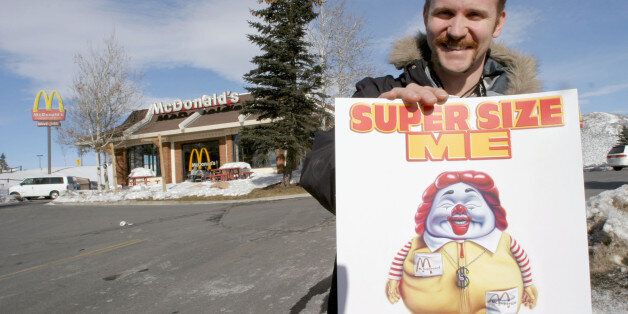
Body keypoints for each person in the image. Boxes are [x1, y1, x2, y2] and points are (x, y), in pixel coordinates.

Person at [299, 0, 540, 312]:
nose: (456, 30)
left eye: (474, 15)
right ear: (426, 18)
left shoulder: (529, 109)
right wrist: (375, 139)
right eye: (444, 13)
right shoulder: (376, 94)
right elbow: (317, 171)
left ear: (498, 23)